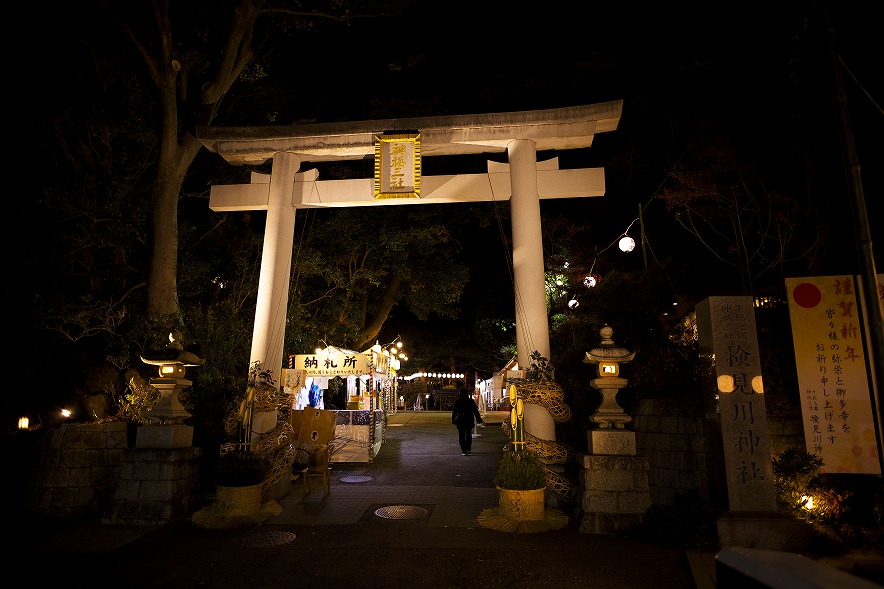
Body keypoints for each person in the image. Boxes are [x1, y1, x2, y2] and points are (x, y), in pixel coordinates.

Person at [451, 387, 483, 455]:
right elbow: (475, 411)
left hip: (460, 420)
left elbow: (454, 411)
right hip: (469, 419)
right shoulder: (470, 401)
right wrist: (478, 419)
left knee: (461, 435)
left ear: (460, 393)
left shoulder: (458, 401)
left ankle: (463, 450)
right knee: (468, 434)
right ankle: (468, 448)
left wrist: (453, 419)